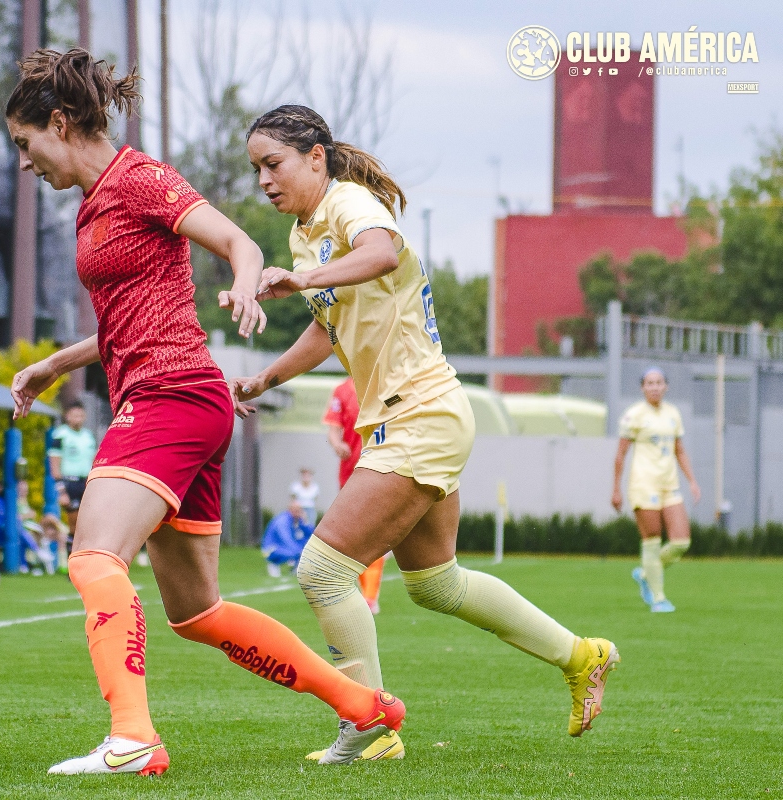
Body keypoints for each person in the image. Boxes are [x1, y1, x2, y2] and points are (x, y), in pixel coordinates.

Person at [6, 49, 402, 777]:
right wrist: (54, 364)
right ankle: (362, 705)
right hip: (183, 398)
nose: (26, 162)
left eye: (25, 144)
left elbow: (236, 241)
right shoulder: (95, 203)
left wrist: (248, 284)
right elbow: (132, 317)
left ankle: (133, 739)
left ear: (59, 123)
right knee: (197, 613)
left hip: (171, 397)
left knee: (95, 557)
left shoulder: (140, 178)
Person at [232, 105, 617, 761]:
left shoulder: (350, 203)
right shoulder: (305, 235)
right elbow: (329, 328)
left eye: (275, 163)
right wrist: (267, 378)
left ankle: (369, 724)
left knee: (323, 570)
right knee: (436, 583)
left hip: (421, 415)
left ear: (316, 157)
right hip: (412, 416)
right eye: (256, 169)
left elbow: (379, 254)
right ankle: (580, 655)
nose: (264, 179)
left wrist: (305, 277)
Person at [612, 368, 700, 613]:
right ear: (643, 387)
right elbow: (620, 455)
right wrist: (616, 490)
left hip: (669, 485)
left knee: (681, 542)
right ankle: (658, 598)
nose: (654, 387)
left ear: (666, 386)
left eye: (659, 382)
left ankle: (645, 573)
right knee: (652, 540)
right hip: (643, 484)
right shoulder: (634, 416)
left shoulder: (673, 413)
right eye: (649, 383)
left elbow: (679, 450)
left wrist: (692, 480)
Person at [324, 377, 387, 614]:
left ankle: (370, 597)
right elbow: (333, 429)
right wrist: (336, 444)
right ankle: (365, 594)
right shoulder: (342, 390)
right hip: (349, 470)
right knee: (356, 536)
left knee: (371, 534)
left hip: (380, 468)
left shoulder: (386, 384)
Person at [49, 400, 97, 561]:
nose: (78, 418)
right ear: (67, 416)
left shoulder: (88, 436)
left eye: (81, 415)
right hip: (70, 483)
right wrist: (60, 490)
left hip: (87, 483)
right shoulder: (60, 435)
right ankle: (73, 562)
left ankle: (86, 560)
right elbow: (54, 463)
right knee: (74, 525)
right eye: (75, 415)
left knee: (90, 524)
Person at [261, 498, 314, 577]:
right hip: (271, 549)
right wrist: (300, 552)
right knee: (299, 552)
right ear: (290, 509)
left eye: (299, 510)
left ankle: (296, 567)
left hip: (283, 546)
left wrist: (305, 522)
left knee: (306, 545)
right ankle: (274, 563)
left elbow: (311, 535)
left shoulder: (298, 520)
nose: (298, 512)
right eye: (296, 510)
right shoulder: (282, 521)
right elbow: (286, 539)